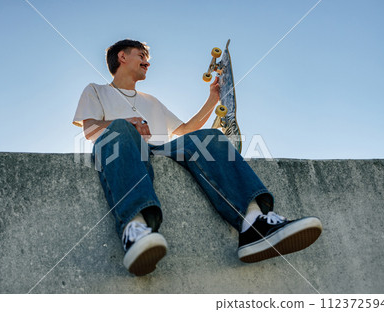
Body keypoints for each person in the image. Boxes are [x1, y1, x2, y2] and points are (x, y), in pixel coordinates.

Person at [72, 39, 322, 276]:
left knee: (209, 137)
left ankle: (254, 224)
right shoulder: (96, 90)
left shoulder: (151, 101)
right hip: (123, 150)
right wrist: (126, 123)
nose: (147, 62)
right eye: (142, 56)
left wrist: (213, 99)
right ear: (122, 56)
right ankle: (135, 229)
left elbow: (185, 131)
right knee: (122, 131)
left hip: (159, 149)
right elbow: (90, 129)